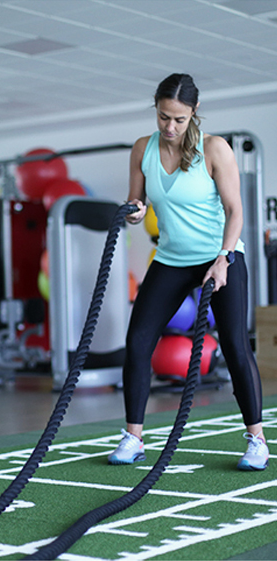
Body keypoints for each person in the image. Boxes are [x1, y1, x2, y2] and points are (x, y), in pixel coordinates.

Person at [108, 73, 269, 471]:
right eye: (163, 117)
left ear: (194, 112)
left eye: (179, 119)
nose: (170, 127)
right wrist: (135, 212)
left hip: (220, 255)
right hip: (171, 258)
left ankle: (257, 439)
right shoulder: (143, 148)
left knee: (234, 344)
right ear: (156, 109)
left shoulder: (215, 149)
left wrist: (224, 258)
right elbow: (136, 202)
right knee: (138, 341)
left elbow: (235, 211)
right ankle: (133, 437)